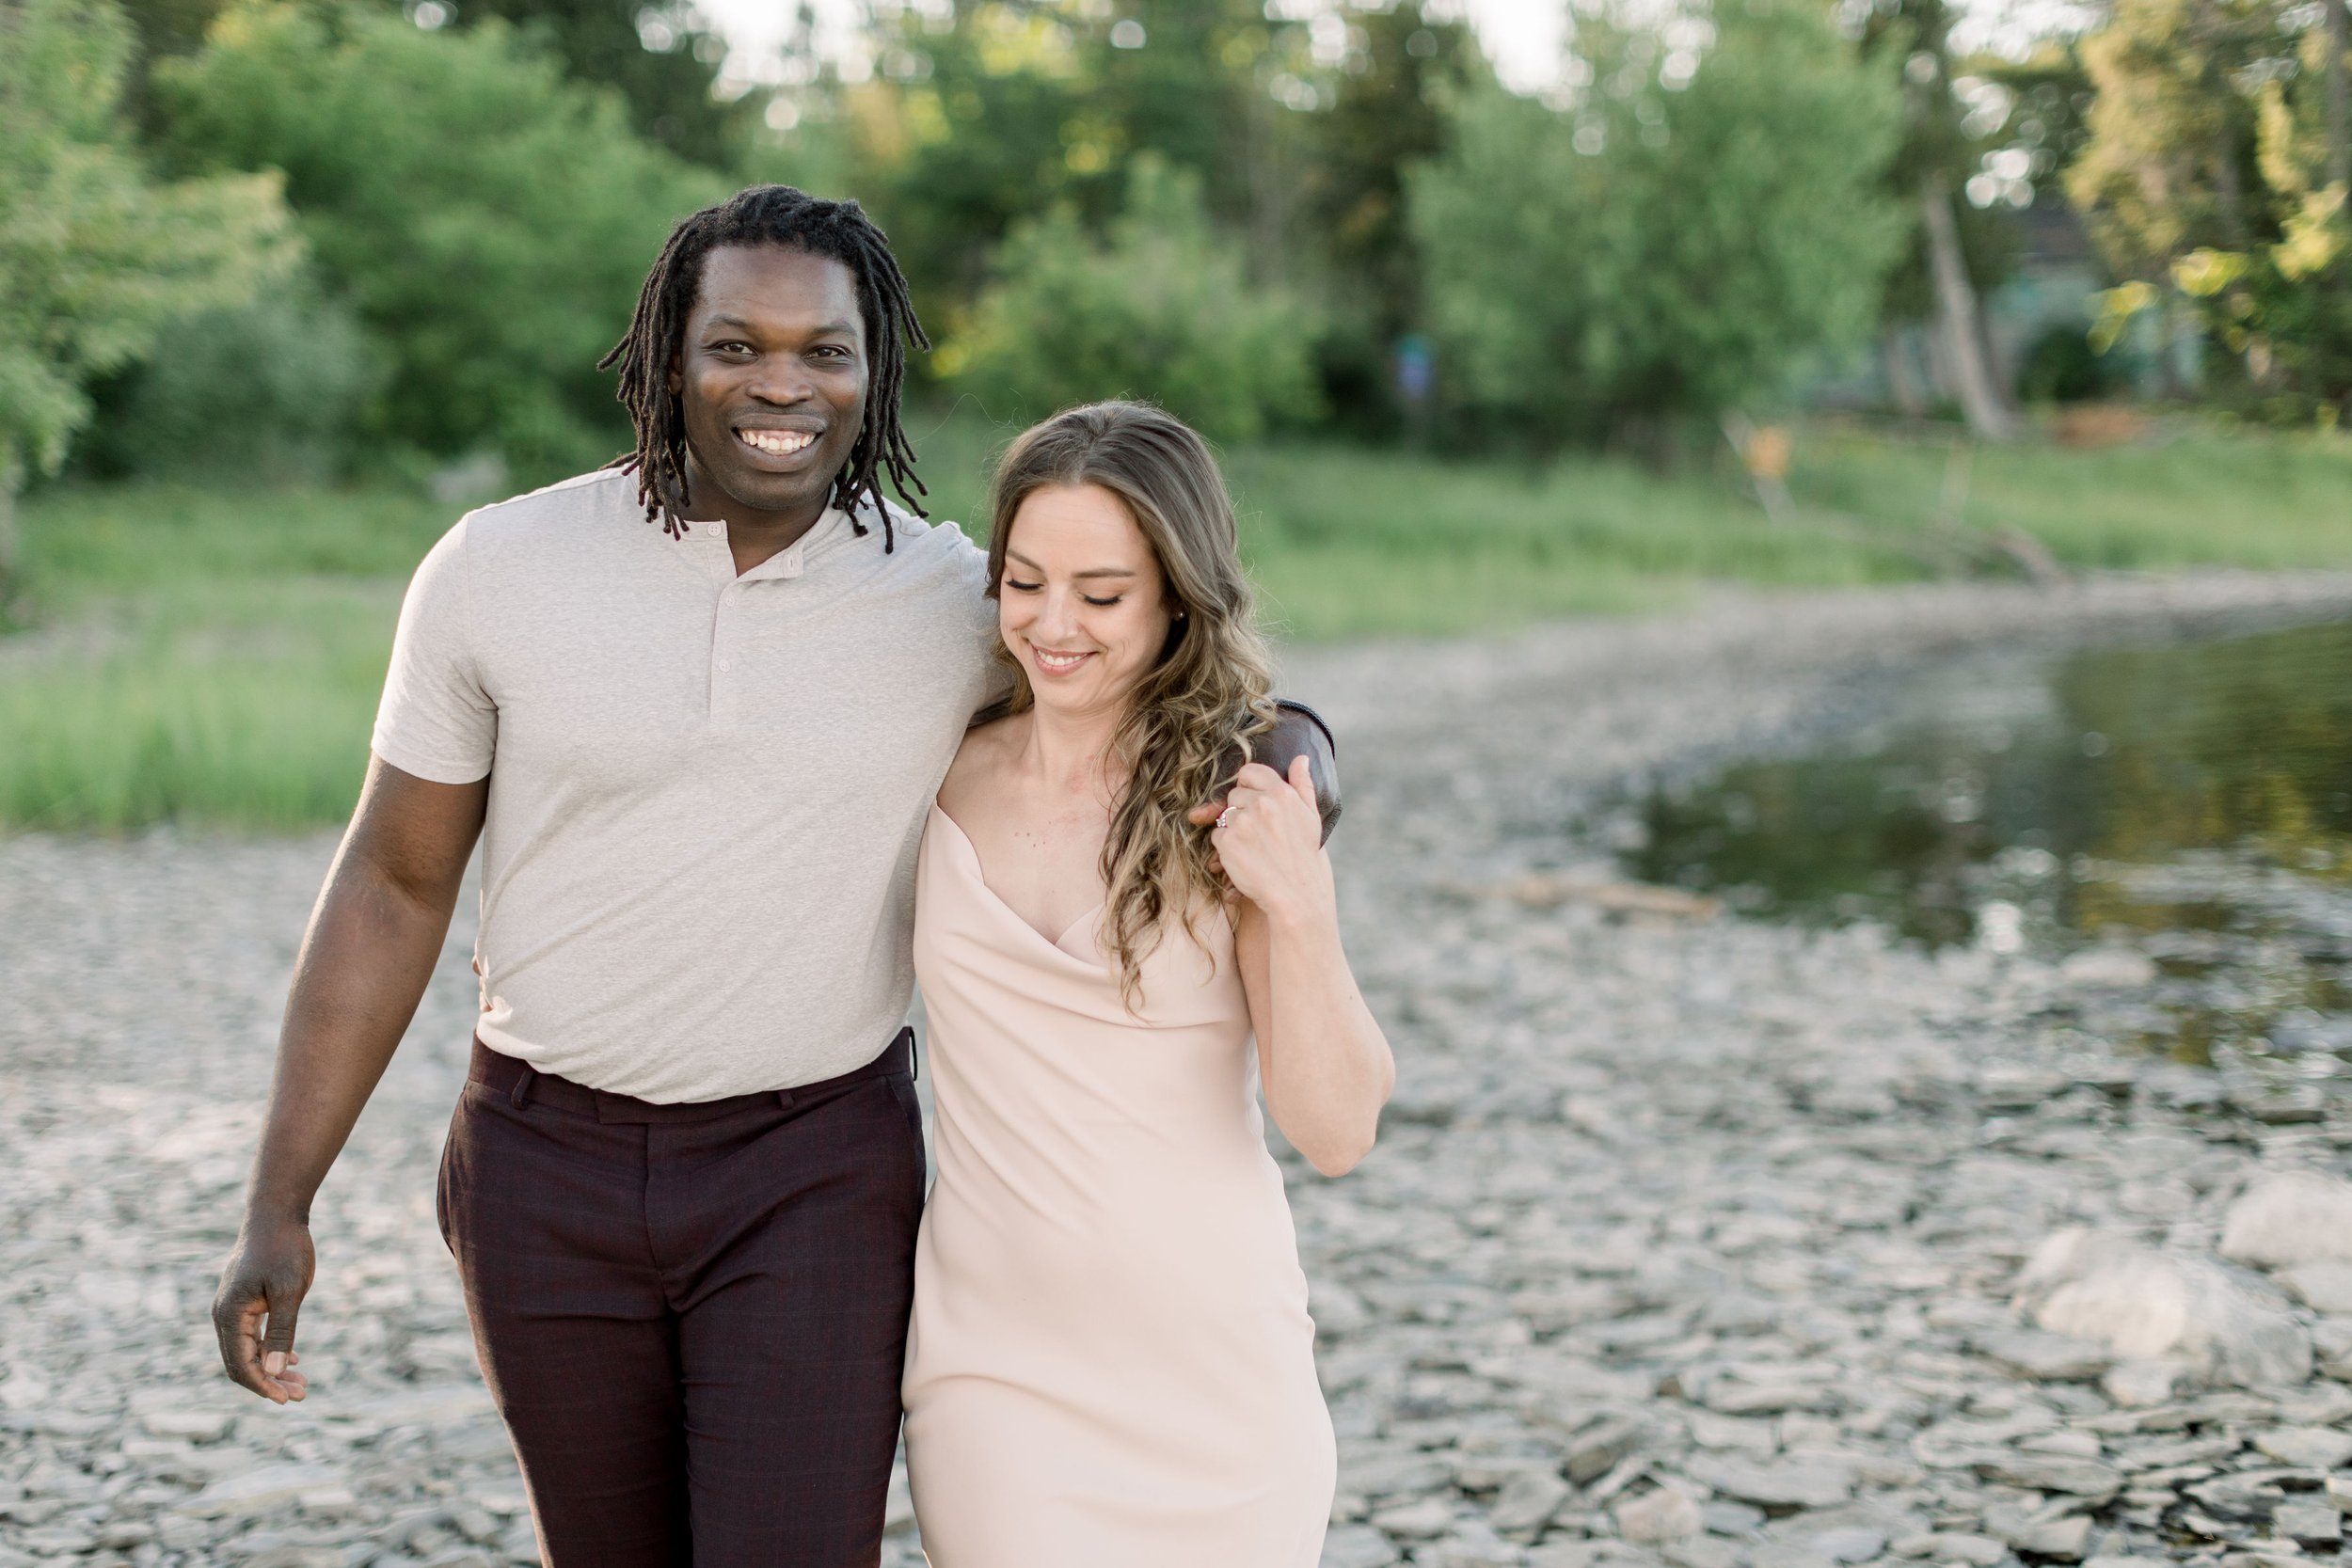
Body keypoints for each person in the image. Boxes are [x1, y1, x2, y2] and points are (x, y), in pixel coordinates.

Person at [207, 187, 1335, 1567]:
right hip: (536, 1163)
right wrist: (281, 1196)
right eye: (736, 344)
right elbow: (391, 883)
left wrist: (1301, 761)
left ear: (877, 373)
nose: (782, 383)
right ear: (667, 355)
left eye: (827, 350)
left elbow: (1177, 669)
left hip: (813, 1170)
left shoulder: (953, 601)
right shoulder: (496, 570)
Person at [902, 401, 1394, 1567]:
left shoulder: (1231, 801)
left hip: (1216, 1379)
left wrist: (1300, 903)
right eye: (1023, 581)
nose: (1052, 624)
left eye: (1102, 593)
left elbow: (1335, 1128)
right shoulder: (932, 764)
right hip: (993, 1370)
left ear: (1178, 594)